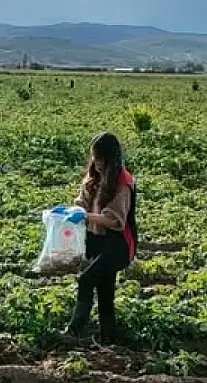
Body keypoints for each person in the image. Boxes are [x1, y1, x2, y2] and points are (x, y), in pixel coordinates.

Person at [59, 131, 138, 345]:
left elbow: (115, 220)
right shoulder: (95, 177)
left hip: (117, 245)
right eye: (94, 157)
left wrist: (86, 216)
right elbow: (83, 200)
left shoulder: (122, 182)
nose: (96, 163)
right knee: (105, 293)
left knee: (86, 280)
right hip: (97, 241)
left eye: (100, 158)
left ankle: (74, 331)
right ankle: (109, 339)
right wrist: (74, 210)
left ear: (110, 158)